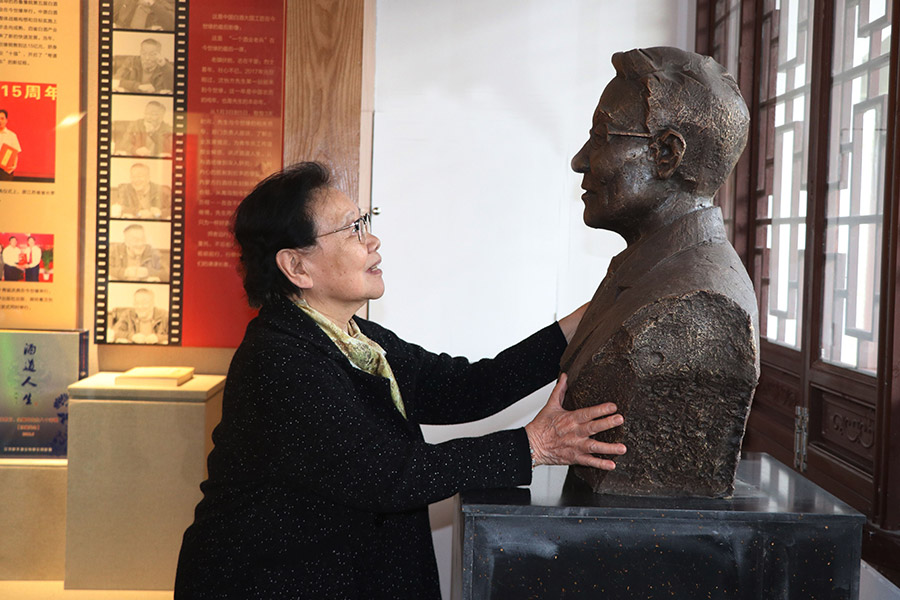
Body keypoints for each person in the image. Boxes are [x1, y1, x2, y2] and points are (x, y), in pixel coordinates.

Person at [174, 162, 627, 599]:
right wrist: (532, 445)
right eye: (352, 229)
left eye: (364, 222)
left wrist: (579, 325)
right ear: (296, 267)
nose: (372, 240)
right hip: (272, 580)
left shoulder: (356, 338)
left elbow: (464, 389)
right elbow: (388, 473)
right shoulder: (279, 360)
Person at [560, 47, 759, 497]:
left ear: (667, 154)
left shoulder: (705, 306)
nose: (580, 160)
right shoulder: (644, 271)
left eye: (601, 136)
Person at [0, 109, 22, 180]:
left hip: (5, 170)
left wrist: (14, 165)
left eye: (2, 118)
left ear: (6, 120)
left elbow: (15, 153)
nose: (0, 121)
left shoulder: (12, 135)